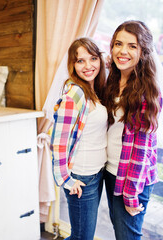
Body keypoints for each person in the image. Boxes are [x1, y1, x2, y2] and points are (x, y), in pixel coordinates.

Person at [101, 20, 162, 240]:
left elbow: (141, 151)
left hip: (131, 179)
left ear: (143, 51)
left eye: (132, 46)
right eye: (118, 44)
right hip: (111, 171)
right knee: (120, 232)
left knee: (128, 236)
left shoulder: (146, 91)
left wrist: (131, 195)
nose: (123, 51)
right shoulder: (112, 81)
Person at [50, 37, 107, 240]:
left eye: (93, 58)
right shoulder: (74, 95)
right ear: (72, 65)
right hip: (82, 178)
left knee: (82, 235)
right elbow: (58, 142)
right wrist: (66, 179)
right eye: (80, 61)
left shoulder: (93, 90)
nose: (88, 65)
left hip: (95, 173)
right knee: (82, 237)